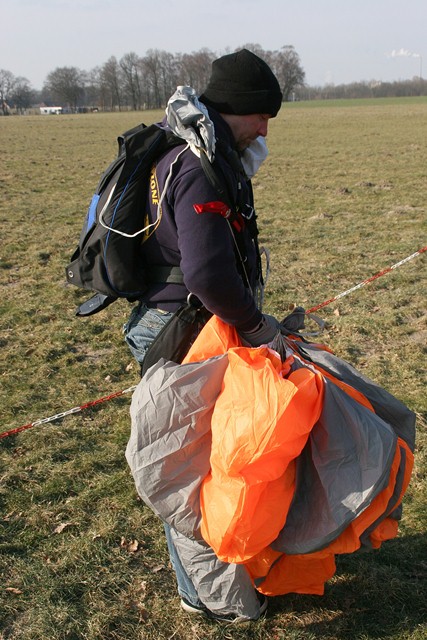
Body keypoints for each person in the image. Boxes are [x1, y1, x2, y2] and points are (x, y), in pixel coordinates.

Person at [123, 49, 283, 623]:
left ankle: (228, 575)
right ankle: (203, 595)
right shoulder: (195, 166)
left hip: (187, 325)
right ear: (237, 106)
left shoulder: (201, 152)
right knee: (188, 472)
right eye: (261, 116)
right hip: (180, 332)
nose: (265, 129)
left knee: (206, 460)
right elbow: (208, 274)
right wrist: (256, 325)